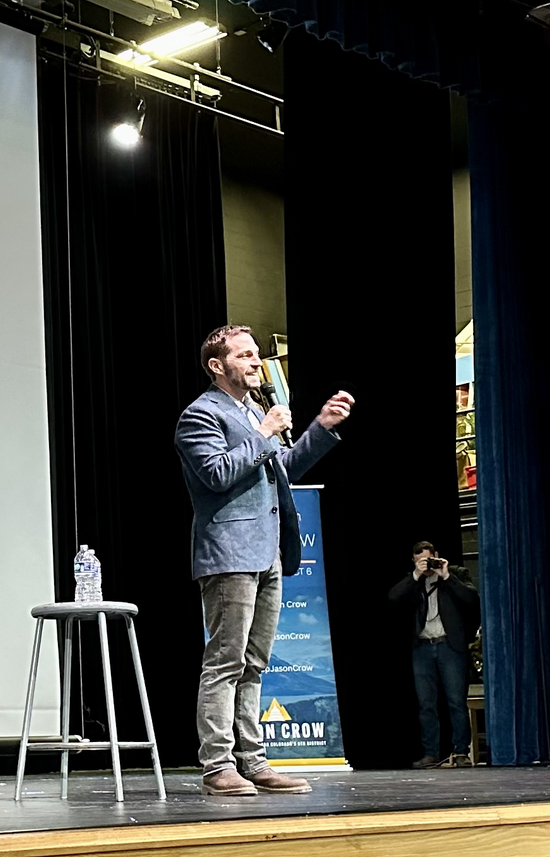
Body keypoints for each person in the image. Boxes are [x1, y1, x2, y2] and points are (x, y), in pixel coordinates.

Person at [175, 325, 354, 797]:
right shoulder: (200, 415)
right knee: (225, 661)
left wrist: (320, 428)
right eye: (245, 355)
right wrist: (262, 431)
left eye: (257, 355)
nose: (256, 362)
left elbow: (284, 471)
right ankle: (217, 765)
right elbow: (216, 474)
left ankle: (253, 761)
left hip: (268, 551)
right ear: (218, 366)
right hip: (229, 553)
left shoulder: (253, 412)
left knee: (255, 663)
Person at [389, 541, 479, 768]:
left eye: (430, 558)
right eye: (422, 560)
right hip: (422, 648)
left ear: (437, 556)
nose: (428, 564)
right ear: (414, 560)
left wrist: (446, 576)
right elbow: (393, 598)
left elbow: (471, 600)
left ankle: (461, 752)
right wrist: (416, 575)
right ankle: (431, 753)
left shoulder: (456, 574)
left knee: (456, 701)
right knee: (426, 703)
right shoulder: (414, 581)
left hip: (450, 646)